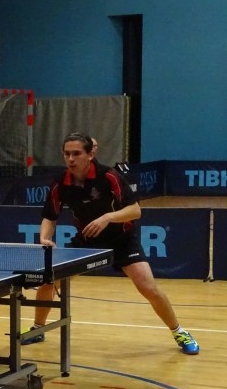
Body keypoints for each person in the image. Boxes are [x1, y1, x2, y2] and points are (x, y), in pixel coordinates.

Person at [21, 132, 199, 355]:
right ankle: (38, 328)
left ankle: (179, 331)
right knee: (49, 281)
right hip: (87, 241)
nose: (71, 159)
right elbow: (50, 216)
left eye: (76, 153)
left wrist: (107, 217)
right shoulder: (60, 183)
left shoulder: (109, 177)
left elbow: (135, 210)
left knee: (148, 288)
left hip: (122, 240)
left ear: (90, 155)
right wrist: (44, 238)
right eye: (67, 154)